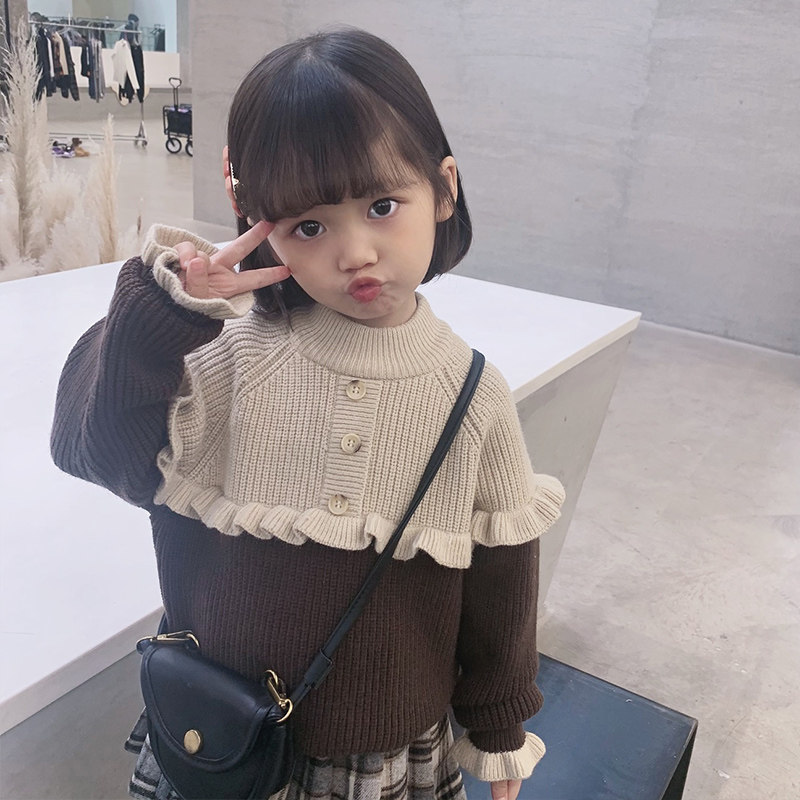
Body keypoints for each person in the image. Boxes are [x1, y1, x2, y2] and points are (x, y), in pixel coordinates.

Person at [50, 28, 565, 800]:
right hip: (222, 739)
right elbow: (89, 448)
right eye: (308, 226)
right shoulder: (224, 360)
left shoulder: (470, 394)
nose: (354, 252)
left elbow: (501, 587)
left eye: (382, 205)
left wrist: (499, 730)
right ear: (259, 224)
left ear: (444, 189)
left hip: (385, 750)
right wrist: (164, 314)